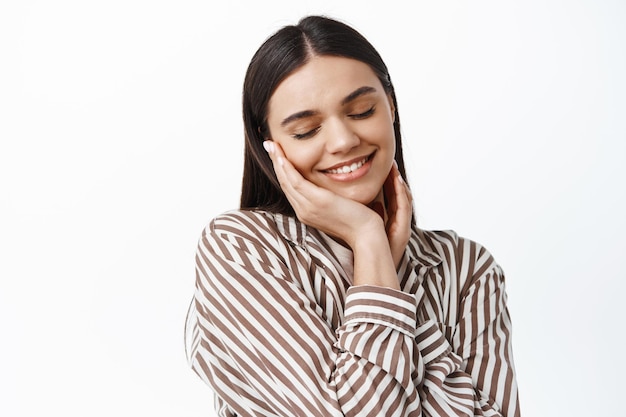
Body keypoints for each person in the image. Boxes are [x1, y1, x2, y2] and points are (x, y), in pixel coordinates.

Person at [184, 15, 520, 417]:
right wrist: (370, 241)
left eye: (361, 111)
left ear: (390, 106)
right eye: (307, 131)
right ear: (270, 146)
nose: (343, 141)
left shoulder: (466, 269)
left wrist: (380, 268)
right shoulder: (240, 248)